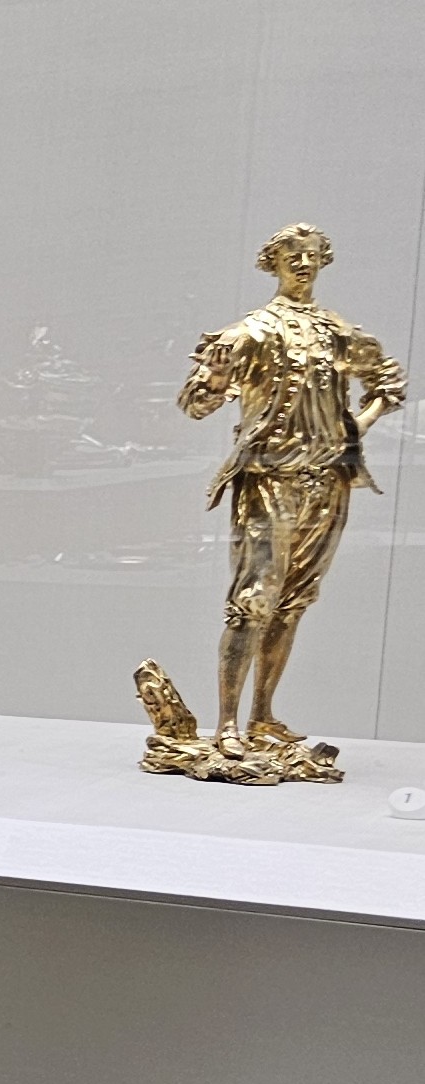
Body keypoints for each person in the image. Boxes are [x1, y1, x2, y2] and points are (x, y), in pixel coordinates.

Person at [136, 223, 405, 784]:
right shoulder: (252, 332)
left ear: (323, 261)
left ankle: (262, 717)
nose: (303, 263)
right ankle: (227, 726)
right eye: (291, 255)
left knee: (294, 601)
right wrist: (215, 379)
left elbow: (386, 381)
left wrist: (355, 427)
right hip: (267, 480)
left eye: (311, 255)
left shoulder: (338, 332)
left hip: (328, 481)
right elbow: (194, 404)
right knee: (252, 602)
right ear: (273, 263)